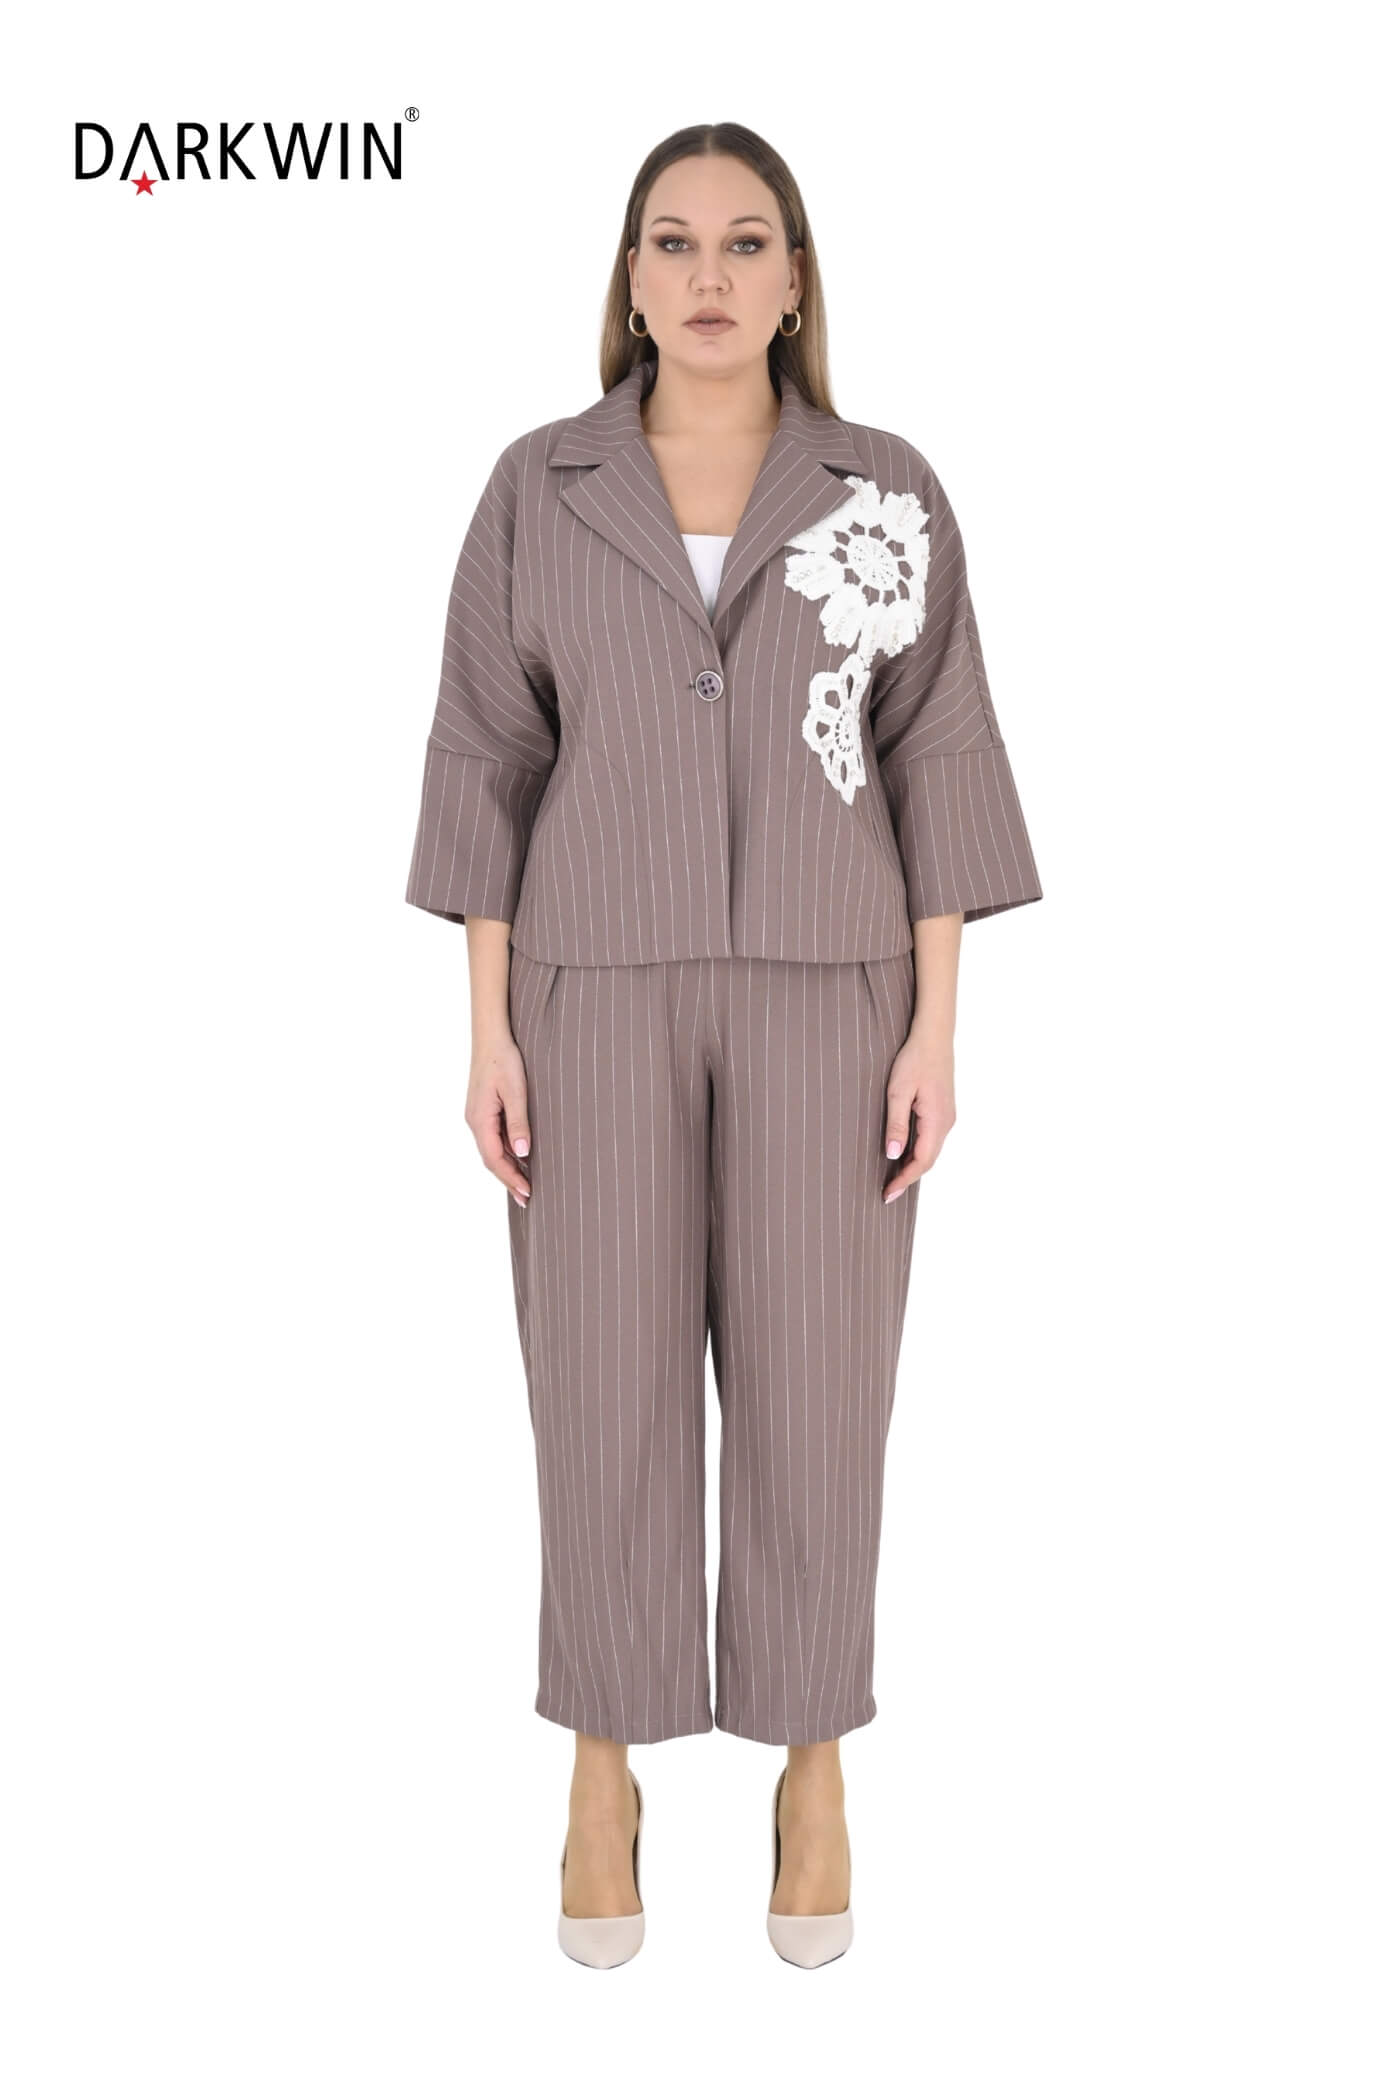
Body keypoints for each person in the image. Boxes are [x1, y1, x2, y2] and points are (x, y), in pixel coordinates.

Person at [405, 121, 1043, 1968]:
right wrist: (485, 1033)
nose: (707, 274)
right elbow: (487, 755)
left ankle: (813, 1762)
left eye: (745, 242)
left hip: (830, 991)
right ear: (629, 277)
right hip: (590, 989)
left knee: (819, 1399)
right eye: (673, 241)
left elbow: (939, 751)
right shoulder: (539, 487)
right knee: (597, 1390)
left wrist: (936, 1028)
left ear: (792, 278)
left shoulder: (882, 489)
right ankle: (600, 1772)